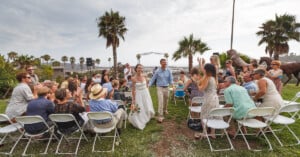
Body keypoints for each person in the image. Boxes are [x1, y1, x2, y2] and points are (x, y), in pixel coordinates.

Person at [196, 63, 219, 139]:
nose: (204, 70)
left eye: (205, 69)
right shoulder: (214, 78)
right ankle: (213, 133)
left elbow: (201, 89)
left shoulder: (208, 78)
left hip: (208, 99)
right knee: (213, 114)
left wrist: (197, 85)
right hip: (215, 99)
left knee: (204, 115)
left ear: (207, 70)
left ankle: (205, 133)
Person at [129, 64, 155, 130]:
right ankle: (140, 120)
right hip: (138, 94)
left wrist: (148, 93)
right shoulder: (133, 78)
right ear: (136, 69)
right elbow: (133, 89)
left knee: (146, 105)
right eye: (138, 68)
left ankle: (147, 116)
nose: (140, 69)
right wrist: (133, 99)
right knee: (140, 106)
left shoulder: (144, 76)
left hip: (145, 93)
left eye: (141, 68)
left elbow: (147, 86)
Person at [149, 58, 173, 123]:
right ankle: (160, 116)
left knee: (166, 100)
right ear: (161, 63)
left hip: (167, 87)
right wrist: (149, 85)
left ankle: (165, 109)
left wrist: (173, 85)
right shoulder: (157, 71)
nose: (165, 64)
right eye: (163, 63)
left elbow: (171, 79)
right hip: (159, 88)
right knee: (161, 101)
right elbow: (153, 79)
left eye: (165, 63)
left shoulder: (169, 71)